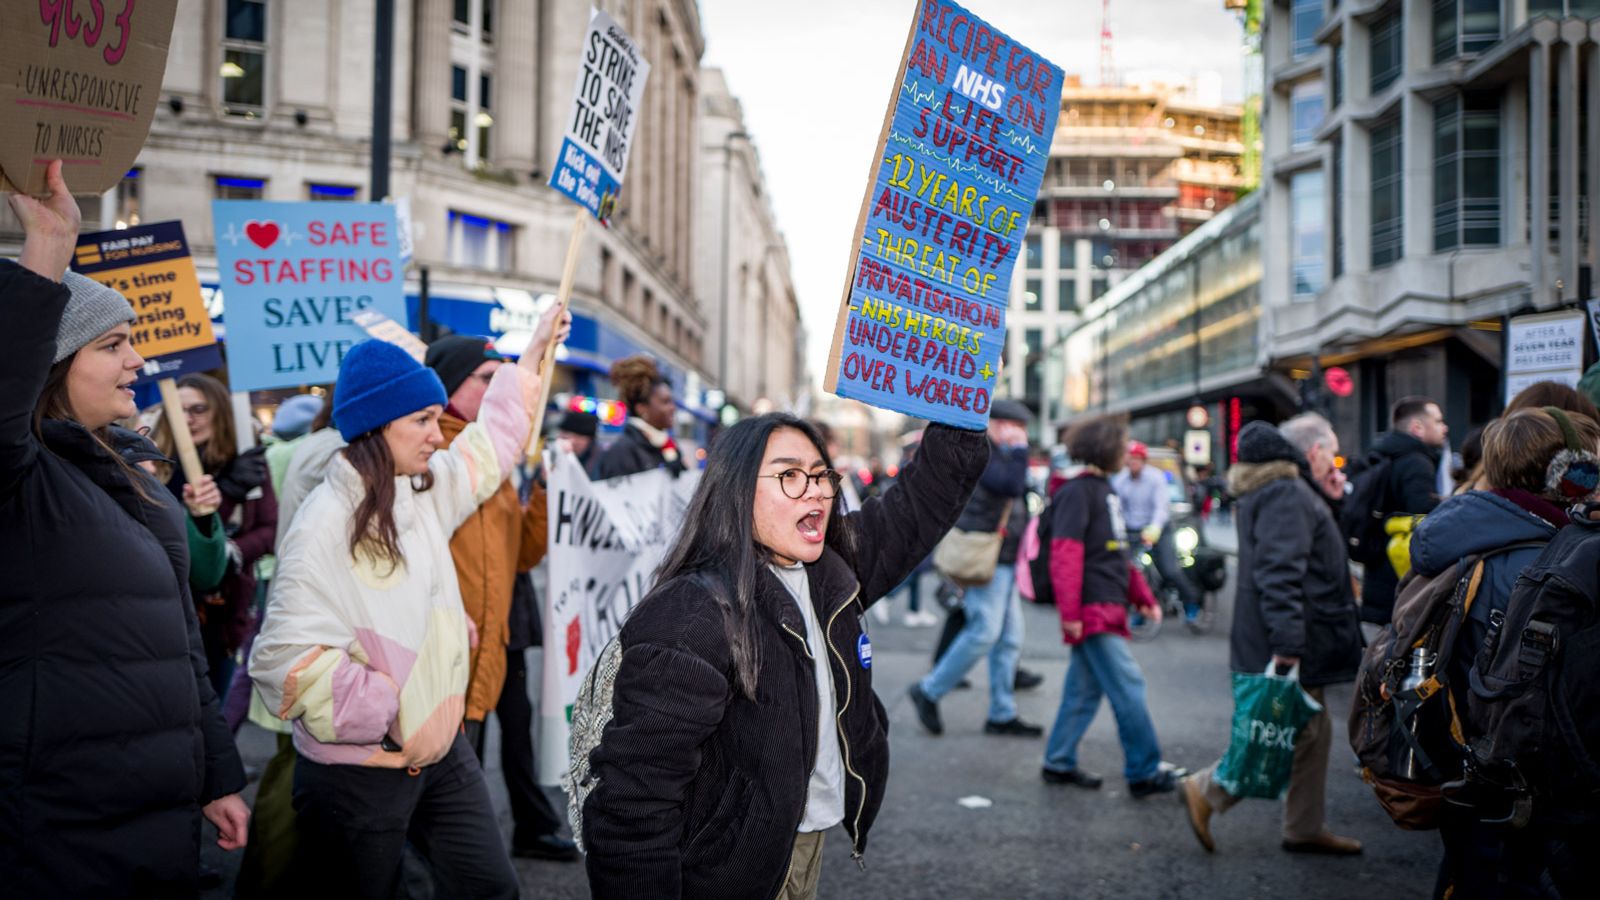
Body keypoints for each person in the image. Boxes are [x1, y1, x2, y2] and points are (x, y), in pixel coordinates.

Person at [580, 415, 988, 898]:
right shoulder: (691, 616)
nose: (815, 491)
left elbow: (921, 503)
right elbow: (632, 803)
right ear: (735, 490)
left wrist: (961, 406)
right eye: (789, 475)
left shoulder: (831, 570)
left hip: (799, 846)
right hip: (725, 874)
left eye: (821, 474)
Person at [249, 310, 560, 898]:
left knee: (492, 888)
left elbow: (489, 446)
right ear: (376, 425)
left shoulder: (420, 490)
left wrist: (534, 352)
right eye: (421, 420)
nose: (437, 433)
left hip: (442, 755)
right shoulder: (324, 525)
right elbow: (279, 661)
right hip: (360, 773)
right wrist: (386, 715)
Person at [0, 161, 248, 895]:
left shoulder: (137, 477)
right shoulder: (20, 476)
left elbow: (180, 647)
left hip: (157, 817)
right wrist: (47, 251)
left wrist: (216, 775)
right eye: (111, 346)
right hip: (56, 822)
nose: (138, 360)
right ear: (50, 368)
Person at [1411, 407, 1600, 898]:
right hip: (1512, 788)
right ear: (1571, 475)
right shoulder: (1540, 558)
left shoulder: (1467, 526)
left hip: (1467, 769)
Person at [424, 332, 577, 861]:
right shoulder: (433, 451)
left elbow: (521, 556)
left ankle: (510, 833)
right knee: (452, 756)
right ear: (448, 385)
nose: (496, 390)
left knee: (499, 733)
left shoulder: (494, 459)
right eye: (486, 380)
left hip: (496, 630)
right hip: (447, 641)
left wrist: (545, 499)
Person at [1180, 415, 1363, 855]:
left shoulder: (1287, 490)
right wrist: (1287, 645)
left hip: (1300, 631)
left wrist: (1331, 501)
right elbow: (1280, 574)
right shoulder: (1287, 493)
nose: (1335, 461)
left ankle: (1302, 824)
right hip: (1295, 635)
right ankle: (1208, 791)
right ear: (1314, 451)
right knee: (1282, 728)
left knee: (1310, 728)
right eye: (1331, 450)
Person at [1038, 415, 1181, 797]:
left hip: (1101, 604)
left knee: (1082, 691)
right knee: (1128, 686)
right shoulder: (1078, 492)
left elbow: (1116, 556)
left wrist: (1144, 598)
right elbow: (1065, 557)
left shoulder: (1103, 489)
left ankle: (1058, 761)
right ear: (1105, 448)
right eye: (1122, 444)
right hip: (1093, 610)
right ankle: (1144, 770)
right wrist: (1070, 616)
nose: (1128, 450)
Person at [907, 400, 1042, 738]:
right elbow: (1010, 485)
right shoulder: (983, 452)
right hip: (987, 559)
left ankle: (1001, 712)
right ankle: (929, 690)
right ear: (998, 424)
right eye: (1017, 427)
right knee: (985, 632)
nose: (1022, 434)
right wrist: (1020, 450)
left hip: (1003, 557)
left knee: (1009, 639)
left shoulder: (998, 452)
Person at [152, 372, 279, 699]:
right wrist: (220, 497)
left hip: (226, 608)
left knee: (215, 704)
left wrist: (230, 550)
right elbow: (170, 536)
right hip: (171, 606)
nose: (188, 419)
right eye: (178, 410)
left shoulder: (244, 461)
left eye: (199, 409)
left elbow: (269, 530)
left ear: (219, 411)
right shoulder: (153, 466)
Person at [1354, 396, 1448, 625]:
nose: (1444, 427)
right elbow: (1424, 514)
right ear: (1417, 428)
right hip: (1400, 576)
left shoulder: (1384, 454)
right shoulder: (1416, 462)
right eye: (1437, 421)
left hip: (1378, 574)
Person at [1113, 440, 1203, 625]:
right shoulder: (1120, 480)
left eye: (1136, 459)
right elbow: (1117, 507)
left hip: (1158, 529)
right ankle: (1141, 611)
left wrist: (1154, 528)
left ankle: (1191, 601)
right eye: (1129, 459)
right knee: (1133, 573)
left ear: (1143, 461)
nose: (1132, 463)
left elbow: (1161, 507)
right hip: (1133, 531)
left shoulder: (1155, 478)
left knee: (1170, 570)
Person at [596, 354, 683, 480]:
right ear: (641, 408)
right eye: (665, 402)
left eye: (672, 402)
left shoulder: (668, 447)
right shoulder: (621, 453)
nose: (673, 408)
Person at [556, 408, 601, 474]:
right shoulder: (554, 454)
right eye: (566, 437)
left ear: (590, 441)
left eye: (578, 437)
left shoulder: (597, 462)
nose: (571, 442)